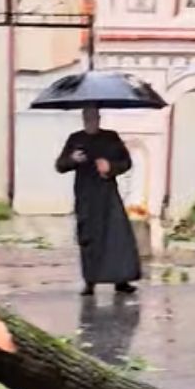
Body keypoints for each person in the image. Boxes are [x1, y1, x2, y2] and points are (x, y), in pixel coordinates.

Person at [55, 105, 140, 296]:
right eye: (88, 118)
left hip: (108, 195)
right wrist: (72, 159)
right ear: (83, 119)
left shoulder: (111, 138)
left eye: (94, 118)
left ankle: (121, 280)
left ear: (99, 118)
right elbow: (60, 165)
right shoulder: (75, 139)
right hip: (86, 196)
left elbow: (126, 163)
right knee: (89, 238)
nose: (91, 121)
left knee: (117, 237)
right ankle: (90, 281)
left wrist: (110, 167)